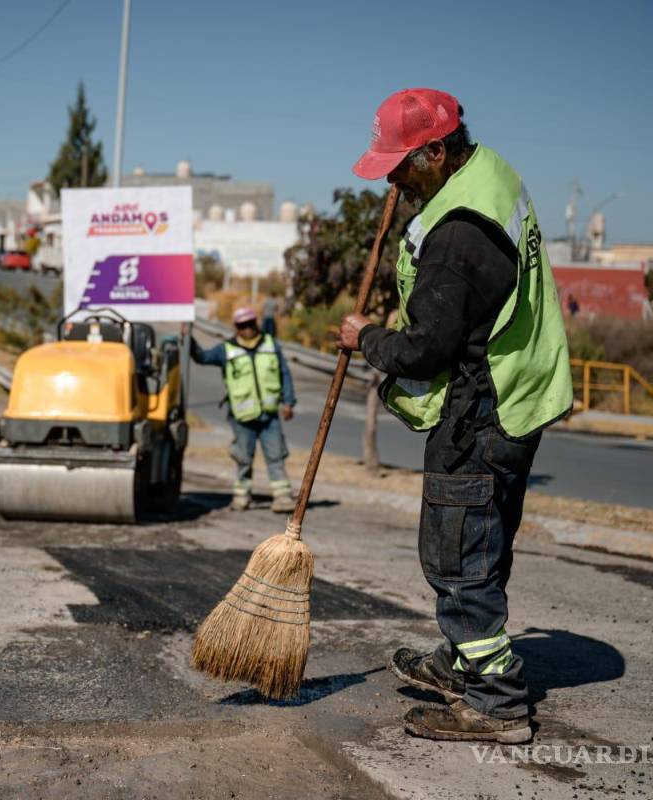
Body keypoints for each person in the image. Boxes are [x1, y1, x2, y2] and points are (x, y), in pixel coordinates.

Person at [336, 88, 573, 743]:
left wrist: (366, 338)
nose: (392, 181)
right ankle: (464, 661)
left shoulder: (458, 235)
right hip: (518, 395)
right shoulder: (491, 175)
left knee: (458, 560)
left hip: (480, 412)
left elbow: (427, 348)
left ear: (437, 152)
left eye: (400, 166)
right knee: (482, 547)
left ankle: (495, 703)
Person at [191, 306, 298, 513]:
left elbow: (284, 373)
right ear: (236, 327)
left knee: (276, 456)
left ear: (255, 323)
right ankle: (241, 497)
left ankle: (283, 497)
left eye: (250, 324)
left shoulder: (270, 345)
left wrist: (288, 402)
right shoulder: (226, 350)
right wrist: (190, 341)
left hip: (269, 415)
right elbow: (202, 358)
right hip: (242, 418)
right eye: (242, 325)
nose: (247, 328)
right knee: (243, 458)